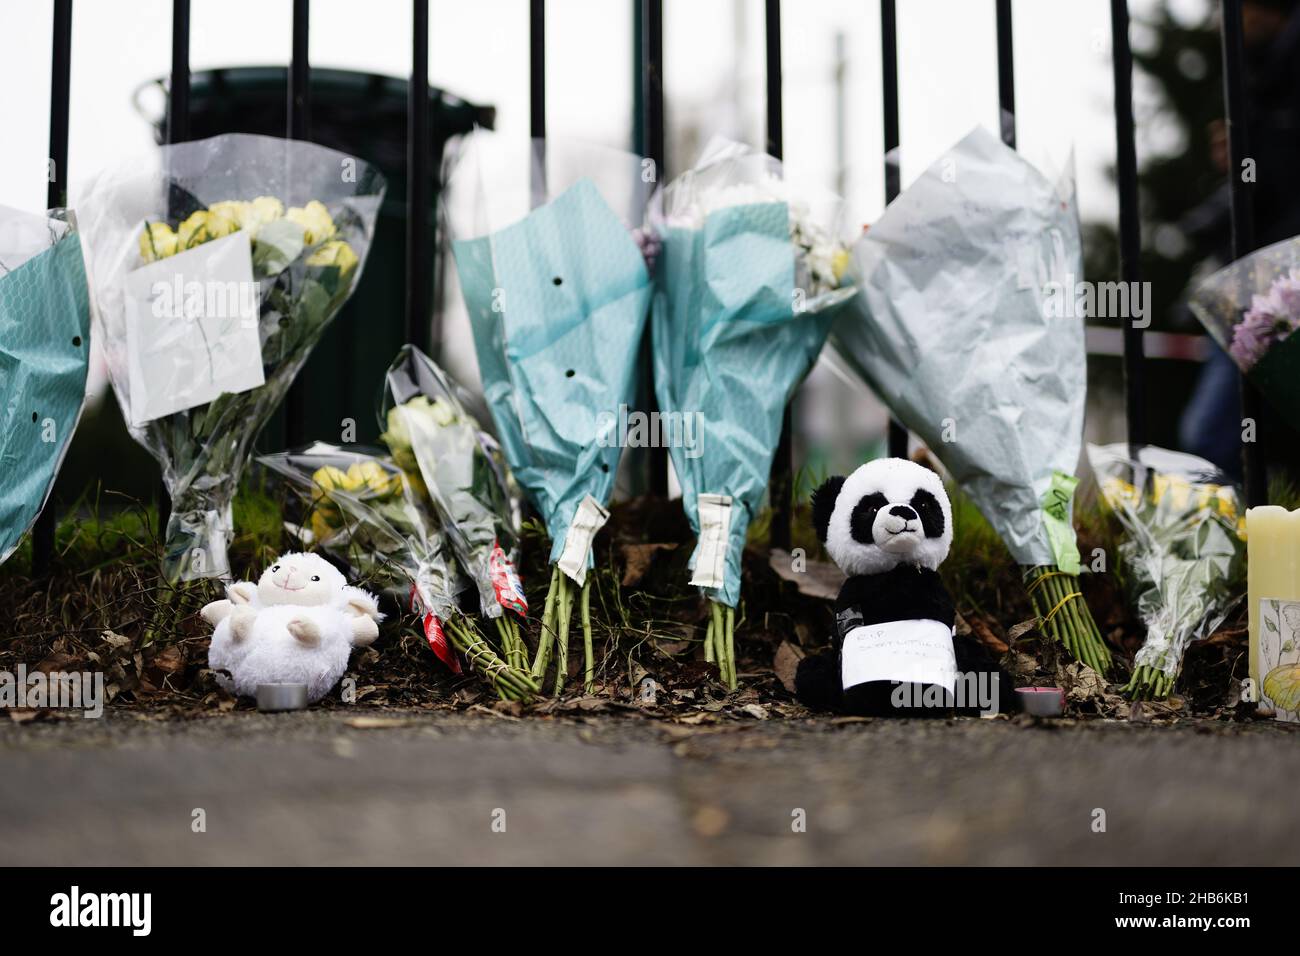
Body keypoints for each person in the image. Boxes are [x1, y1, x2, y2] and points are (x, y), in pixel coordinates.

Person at [1178, 0, 1300, 477]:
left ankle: (1227, 539)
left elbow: (1279, 175)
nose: (1222, 24)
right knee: (1216, 435)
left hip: (1275, 277)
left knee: (1210, 437)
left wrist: (1254, 149)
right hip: (1264, 271)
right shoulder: (1265, 73)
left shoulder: (1281, 71)